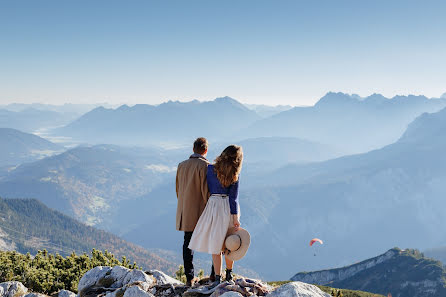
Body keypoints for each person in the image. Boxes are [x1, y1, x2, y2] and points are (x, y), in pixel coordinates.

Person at [188, 144, 243, 286]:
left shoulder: (211, 169)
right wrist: (235, 217)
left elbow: (206, 188)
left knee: (216, 243)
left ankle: (217, 277)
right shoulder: (235, 174)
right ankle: (229, 274)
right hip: (227, 207)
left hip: (213, 205)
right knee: (229, 242)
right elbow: (234, 198)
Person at [176, 137, 210, 287]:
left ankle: (189, 278)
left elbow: (178, 190)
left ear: (193, 149)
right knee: (216, 241)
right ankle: (215, 275)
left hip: (186, 210)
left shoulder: (181, 165)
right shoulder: (206, 166)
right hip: (202, 211)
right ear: (206, 150)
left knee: (187, 243)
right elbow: (206, 191)